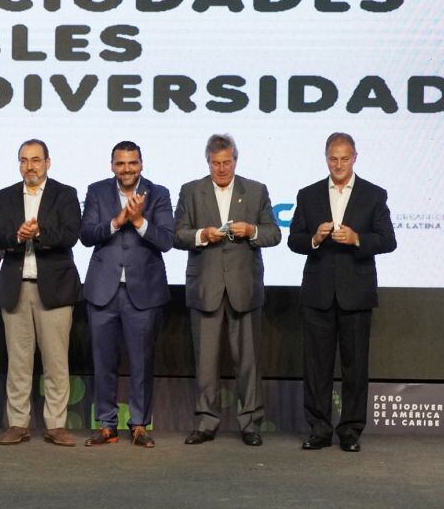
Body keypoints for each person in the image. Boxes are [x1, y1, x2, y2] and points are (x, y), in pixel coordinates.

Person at [288, 132, 396, 452]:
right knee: (316, 367)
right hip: (318, 293)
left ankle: (350, 431)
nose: (338, 164)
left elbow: (388, 240)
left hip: (356, 293)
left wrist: (358, 239)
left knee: (355, 367)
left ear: (355, 158)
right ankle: (319, 430)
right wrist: (315, 239)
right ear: (326, 158)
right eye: (333, 159)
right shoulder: (308, 195)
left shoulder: (374, 195)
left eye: (344, 158)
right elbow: (294, 240)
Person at [174, 134, 281, 446]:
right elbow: (177, 235)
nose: (221, 168)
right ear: (208, 162)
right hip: (205, 287)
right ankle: (206, 423)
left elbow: (274, 233)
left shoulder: (256, 190)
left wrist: (252, 231)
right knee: (205, 362)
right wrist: (202, 235)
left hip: (244, 288)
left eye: (227, 162)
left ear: (236, 160)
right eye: (216, 163)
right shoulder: (191, 191)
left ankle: (250, 423)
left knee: (248, 362)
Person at [0, 139, 82, 447]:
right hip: (17, 288)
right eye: (25, 160)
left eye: (36, 160)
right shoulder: (4, 196)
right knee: (19, 362)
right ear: (19, 164)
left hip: (54, 288)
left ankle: (56, 424)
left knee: (56, 362)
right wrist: (17, 235)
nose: (30, 166)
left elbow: (71, 235)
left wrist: (38, 233)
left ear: (48, 163)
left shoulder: (65, 194)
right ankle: (18, 423)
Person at [79, 141, 173, 448]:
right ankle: (106, 424)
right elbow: (86, 234)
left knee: (141, 362)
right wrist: (117, 221)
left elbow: (166, 240)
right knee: (103, 361)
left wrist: (139, 221)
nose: (127, 169)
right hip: (103, 290)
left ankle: (139, 425)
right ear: (112, 166)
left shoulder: (159, 194)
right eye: (120, 163)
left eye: (132, 163)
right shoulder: (97, 191)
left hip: (143, 291)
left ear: (141, 164)